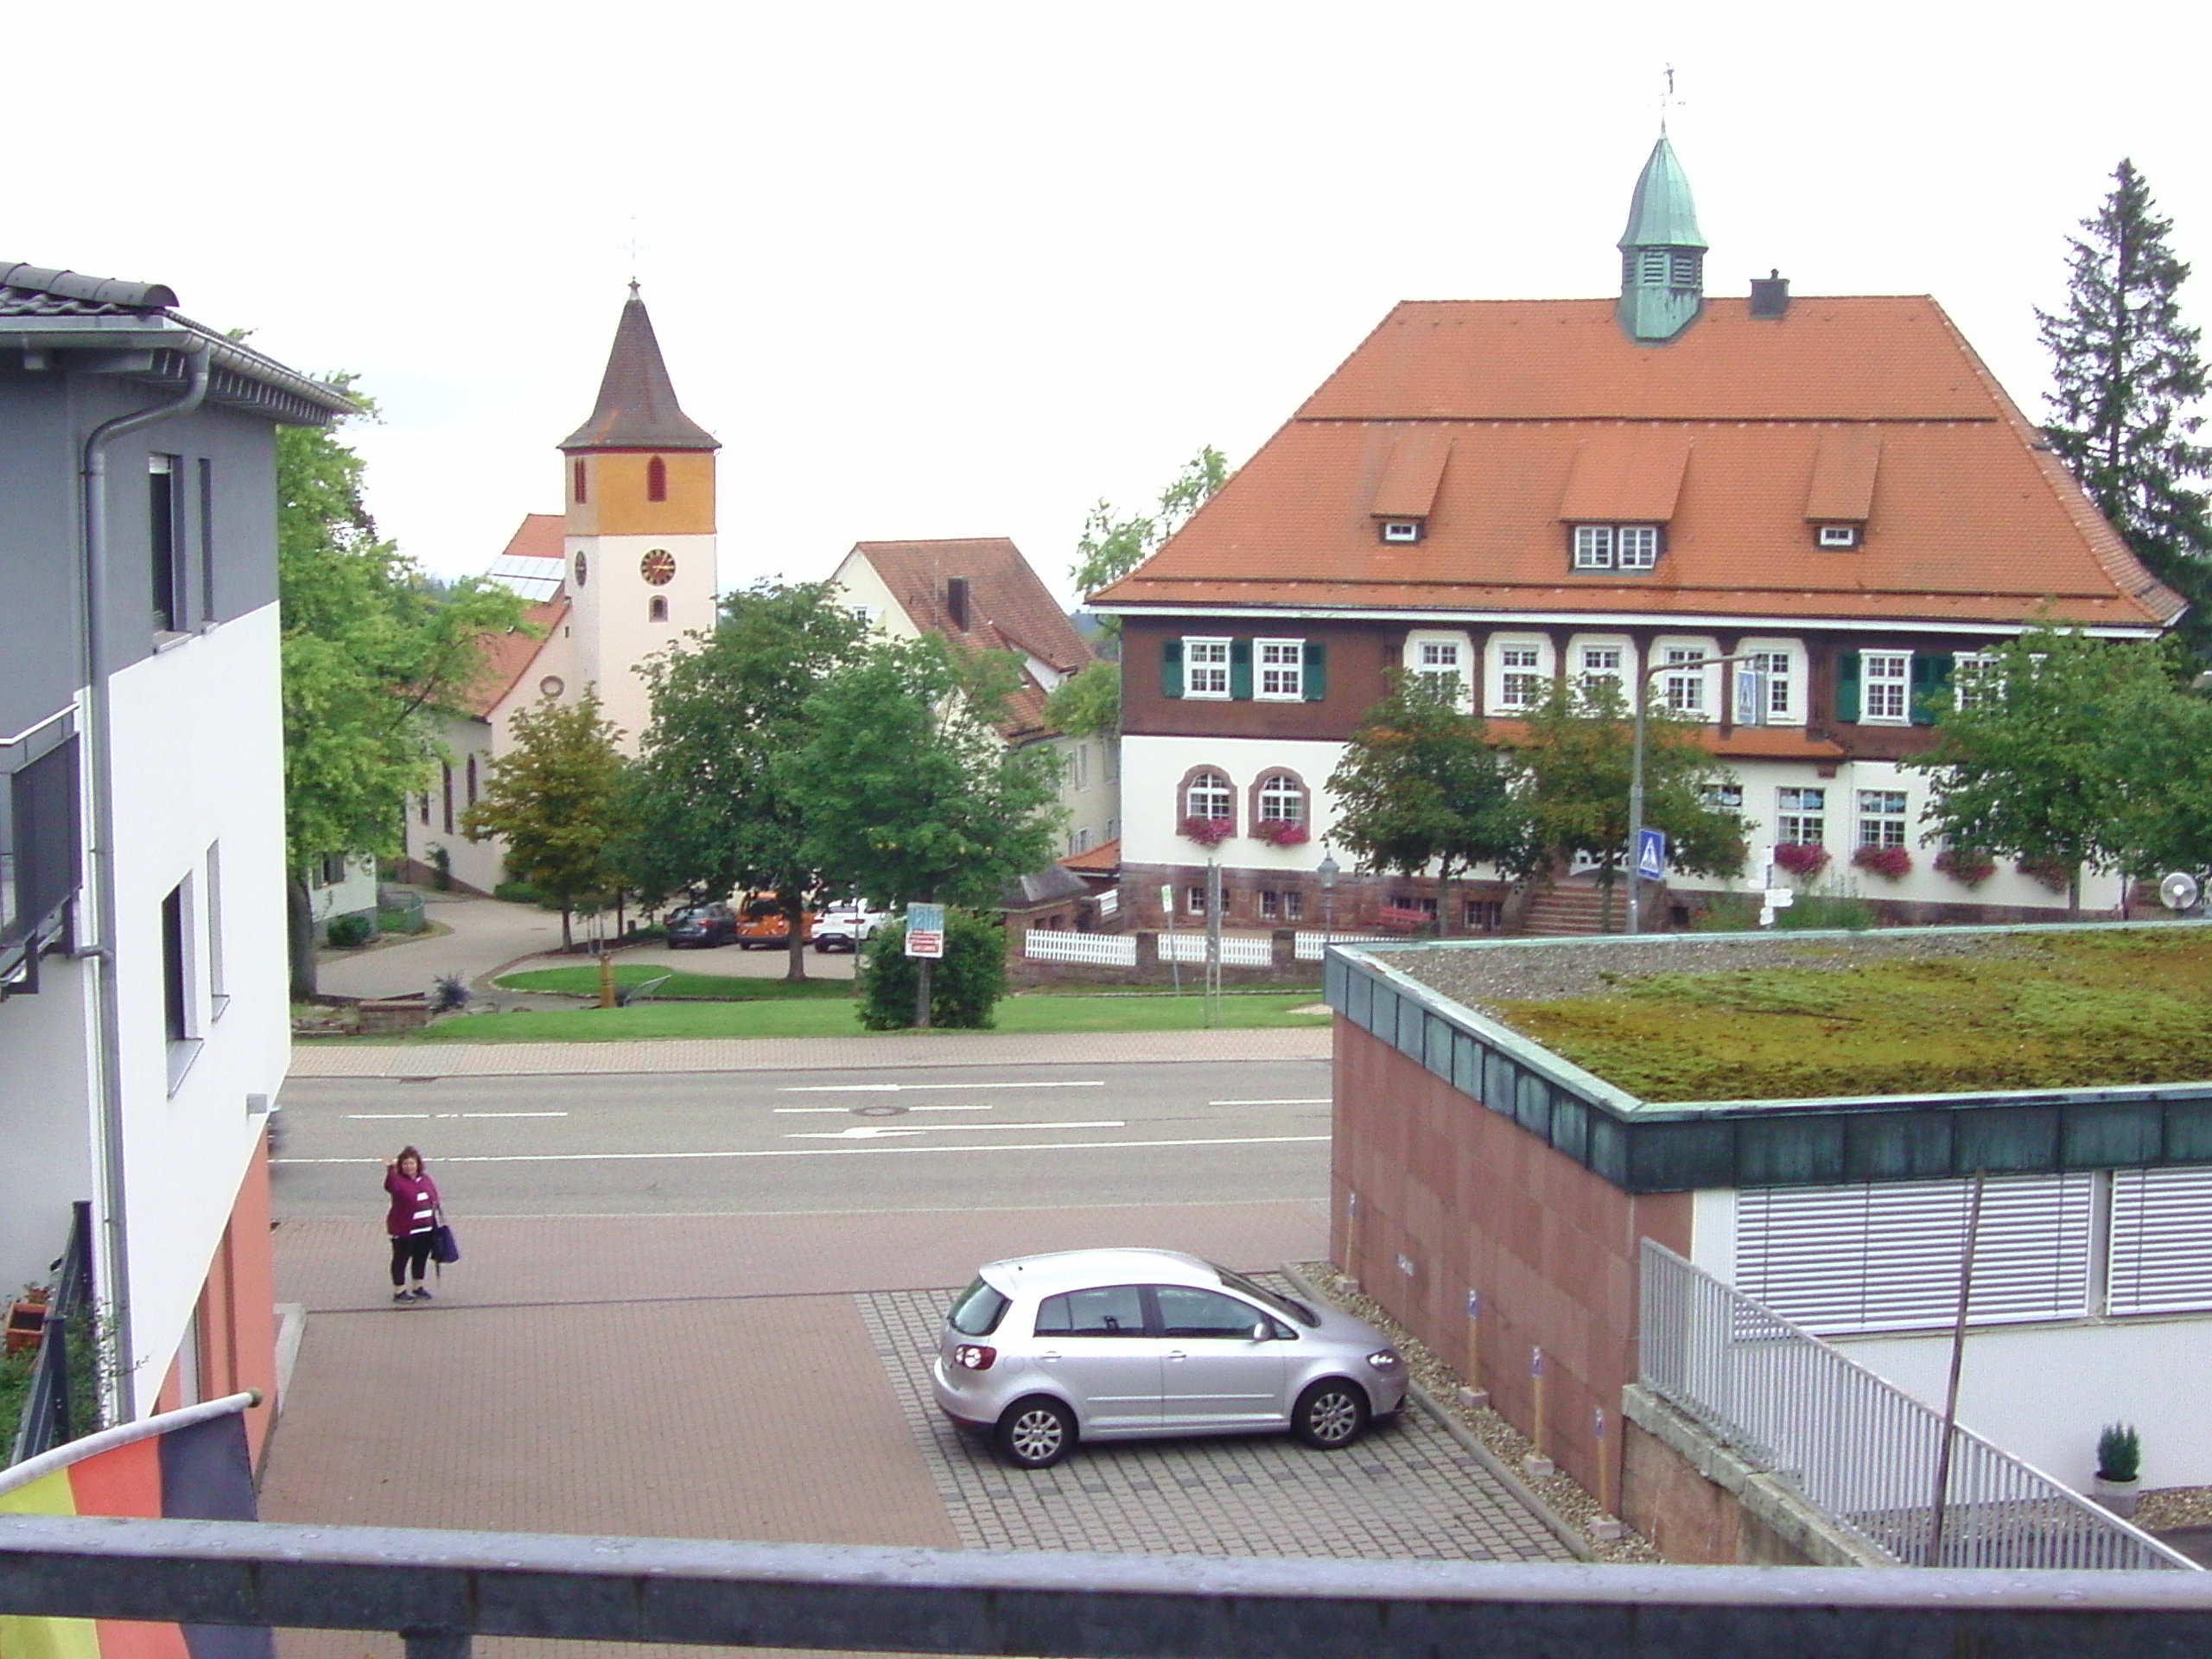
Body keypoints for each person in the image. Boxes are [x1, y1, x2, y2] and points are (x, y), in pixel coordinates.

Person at [384, 1147, 442, 1304]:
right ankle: (399, 1290)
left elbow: (434, 1196)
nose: (409, 1167)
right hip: (404, 1230)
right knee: (401, 1259)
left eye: (412, 1163)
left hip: (425, 1228)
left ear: (418, 1164)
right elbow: (390, 1186)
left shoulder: (425, 1179)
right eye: (405, 1164)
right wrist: (390, 1169)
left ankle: (418, 1286)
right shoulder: (398, 1181)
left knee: (420, 1257)